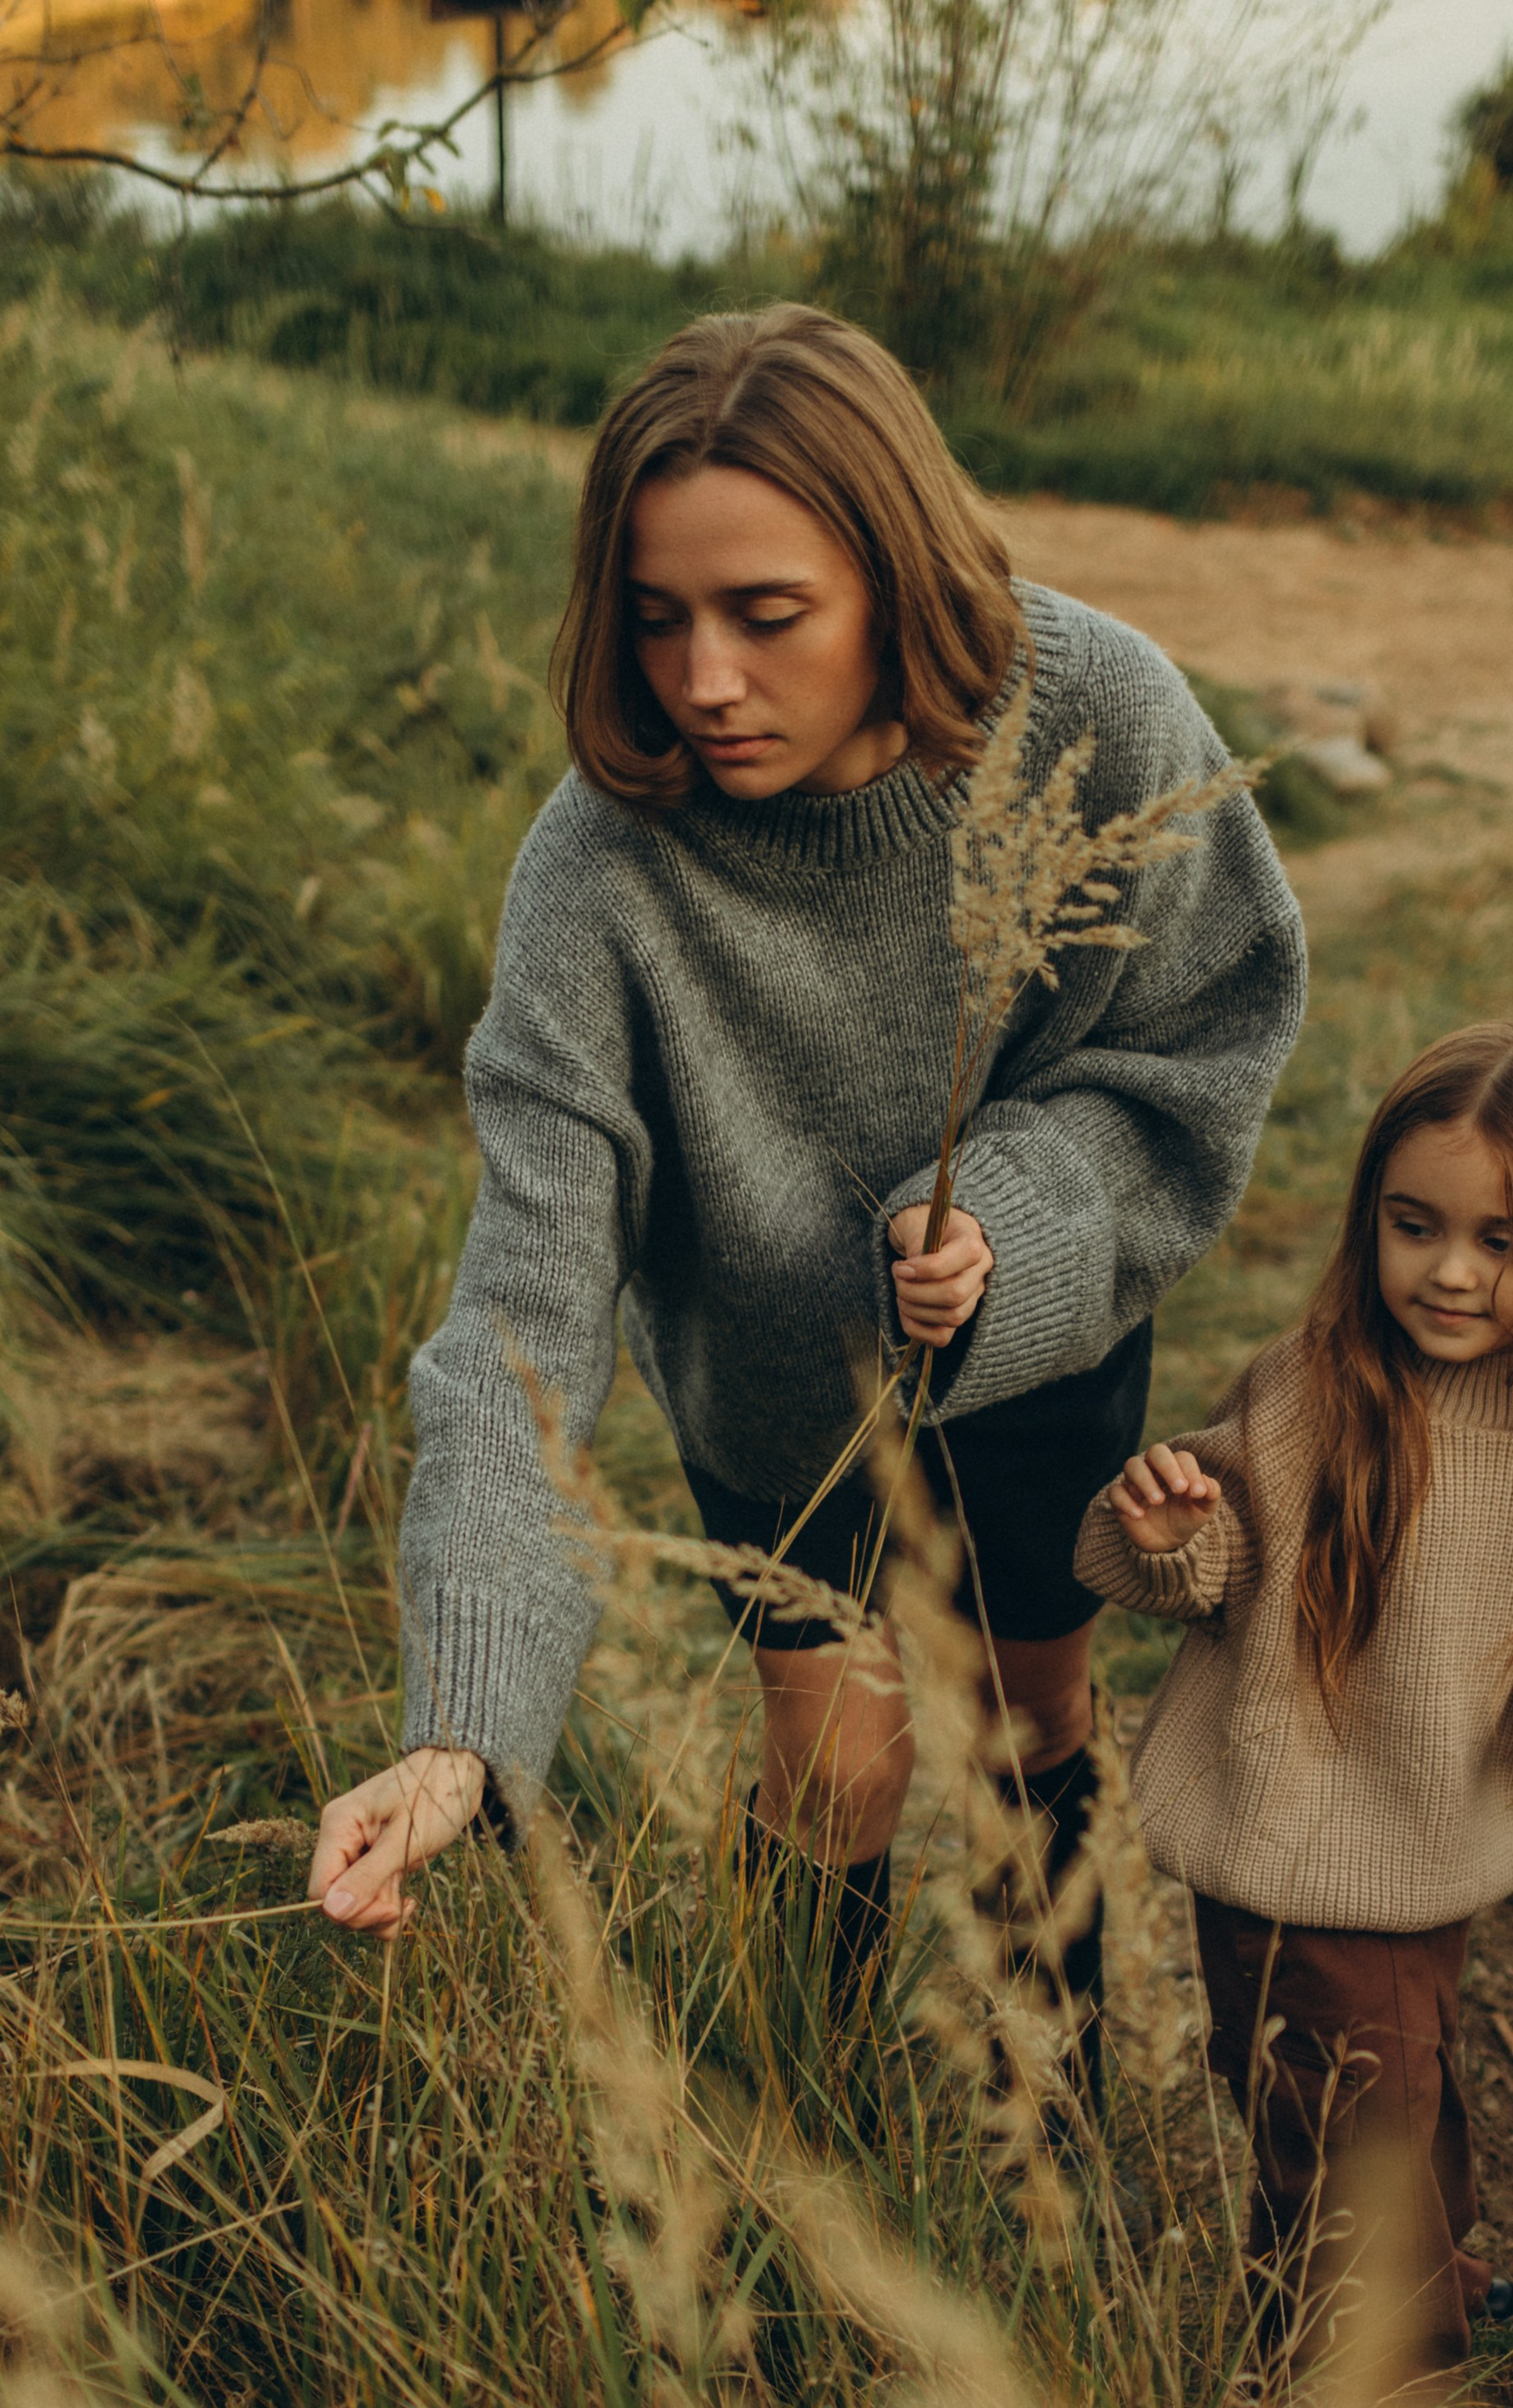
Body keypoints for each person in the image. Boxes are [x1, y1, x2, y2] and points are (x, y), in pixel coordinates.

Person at [308, 303, 1307, 2056]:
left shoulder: (1096, 712)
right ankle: (802, 2158)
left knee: (1027, 1711)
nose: (702, 680)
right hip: (780, 1390)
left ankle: (1045, 2128)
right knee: (836, 1761)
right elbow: (521, 1312)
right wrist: (461, 1721)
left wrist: (1007, 1217)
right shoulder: (599, 872)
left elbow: (1192, 1041)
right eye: (654, 618)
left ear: (893, 576)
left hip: (1043, 1337)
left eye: (766, 617)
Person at [1075, 1022, 1513, 2376]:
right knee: (1347, 2106)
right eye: (1415, 1227)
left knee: (1408, 2066)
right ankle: (1353, 2345)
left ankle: (1419, 2278)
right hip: (1290, 1833)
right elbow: (1216, 1568)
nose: (1449, 1272)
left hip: (1437, 1836)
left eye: (1502, 1242)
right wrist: (1173, 1536)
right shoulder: (1310, 1394)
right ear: (1372, 1220)